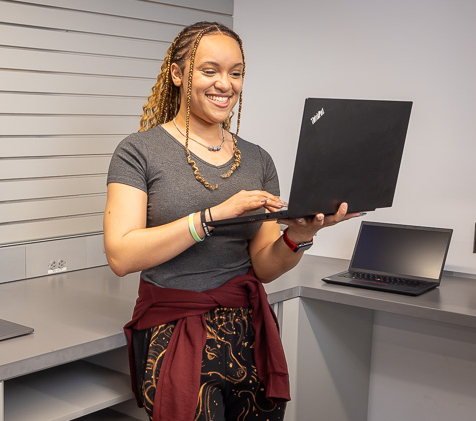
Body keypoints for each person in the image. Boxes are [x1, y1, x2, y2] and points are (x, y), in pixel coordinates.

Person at [103, 21, 358, 421]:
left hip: (249, 330)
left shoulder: (258, 160)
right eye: (210, 70)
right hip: (176, 330)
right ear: (177, 74)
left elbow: (264, 267)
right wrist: (211, 217)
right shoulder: (138, 152)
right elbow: (121, 255)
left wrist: (299, 235)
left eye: (236, 73)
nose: (225, 84)